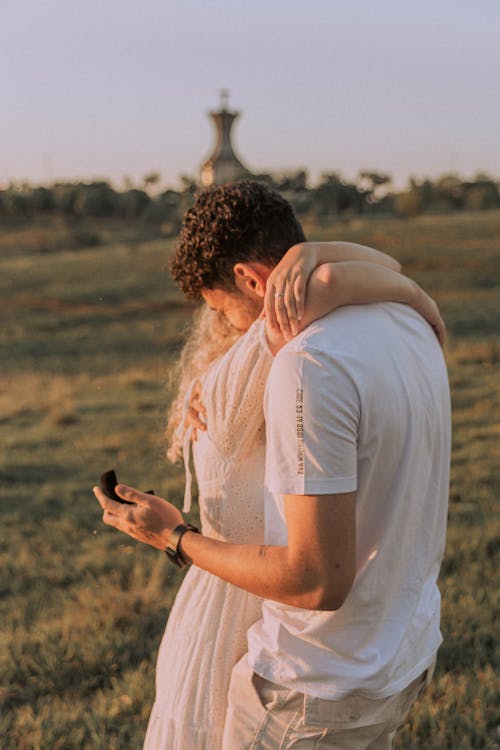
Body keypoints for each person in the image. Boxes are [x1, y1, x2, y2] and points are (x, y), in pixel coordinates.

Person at [94, 181, 450, 749]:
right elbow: (376, 268)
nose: (231, 330)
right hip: (401, 654)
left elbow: (315, 580)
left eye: (223, 310)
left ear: (252, 281)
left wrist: (173, 535)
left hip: (312, 681)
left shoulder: (305, 361)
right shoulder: (405, 321)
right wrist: (411, 293)